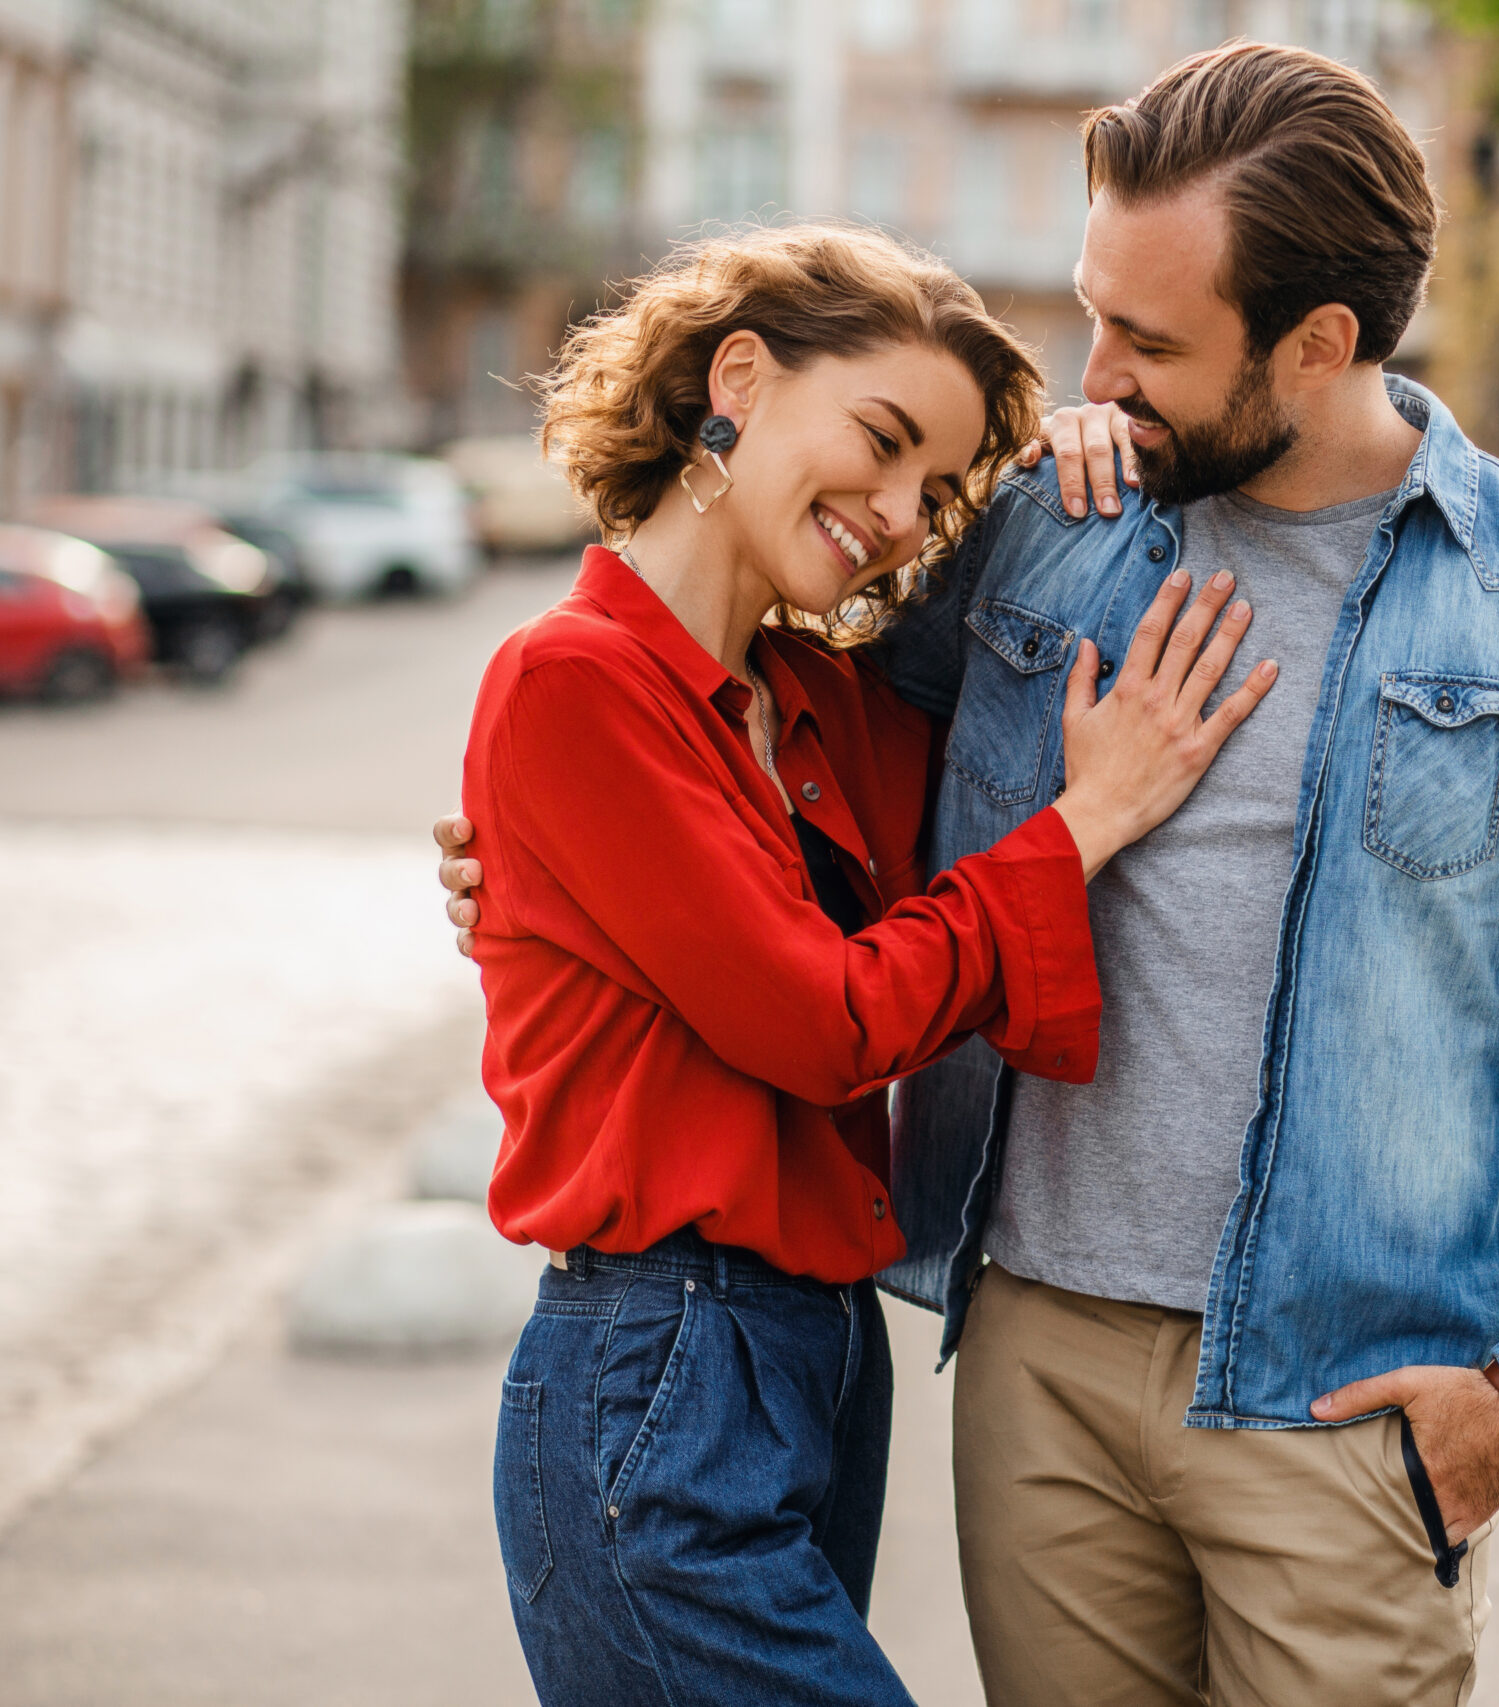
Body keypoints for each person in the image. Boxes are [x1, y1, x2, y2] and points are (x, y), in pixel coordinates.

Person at [445, 41, 1499, 1706]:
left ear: (1318, 343)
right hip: (1036, 1379)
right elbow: (779, 779)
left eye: (1150, 340)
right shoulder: (1044, 529)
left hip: (1340, 1410)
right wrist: (517, 874)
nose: (1099, 370)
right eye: (1094, 313)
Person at [455, 223, 1276, 1707]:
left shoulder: (821, 702)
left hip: (818, 1358)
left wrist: (1077, 466)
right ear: (743, 378)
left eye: (937, 488)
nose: (900, 516)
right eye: (885, 442)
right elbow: (833, 1020)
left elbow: (970, 862)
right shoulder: (570, 682)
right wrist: (1089, 818)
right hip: (657, 1364)